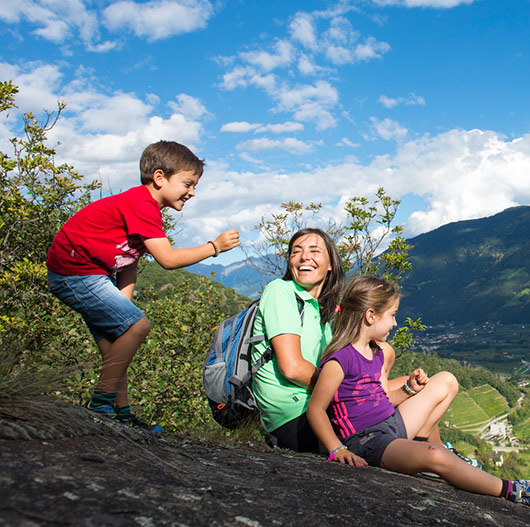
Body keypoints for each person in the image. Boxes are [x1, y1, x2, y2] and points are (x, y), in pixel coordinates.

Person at [307, 275, 530, 516]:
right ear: (371, 315)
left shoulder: (376, 352)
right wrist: (336, 449)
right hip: (367, 443)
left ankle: (422, 452)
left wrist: (409, 390)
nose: (396, 323)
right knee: (435, 454)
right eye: (393, 315)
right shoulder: (339, 361)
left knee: (446, 381)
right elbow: (316, 410)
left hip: (391, 426)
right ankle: (515, 492)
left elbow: (382, 400)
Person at [46, 140, 241, 432]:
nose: (192, 192)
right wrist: (215, 246)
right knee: (137, 326)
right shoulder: (141, 203)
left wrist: (124, 304)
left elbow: (129, 259)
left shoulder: (143, 207)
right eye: (187, 183)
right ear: (160, 178)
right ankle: (100, 406)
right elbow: (168, 260)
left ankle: (120, 414)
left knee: (116, 348)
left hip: (91, 275)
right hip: (75, 274)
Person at [250, 228, 345, 453]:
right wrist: (349, 391)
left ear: (330, 263)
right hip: (293, 416)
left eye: (314, 250)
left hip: (314, 408)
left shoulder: (317, 310)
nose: (304, 257)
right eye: (296, 251)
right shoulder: (280, 291)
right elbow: (292, 368)